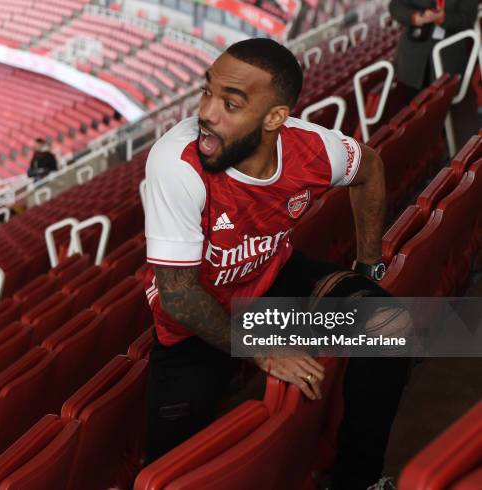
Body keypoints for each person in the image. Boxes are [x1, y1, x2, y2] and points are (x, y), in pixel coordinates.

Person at [143, 38, 410, 490]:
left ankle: (357, 479)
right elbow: (179, 294)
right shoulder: (175, 163)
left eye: (231, 103)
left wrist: (369, 267)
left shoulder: (310, 148)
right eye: (207, 92)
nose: (207, 112)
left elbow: (370, 168)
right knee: (168, 476)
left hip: (269, 282)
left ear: (274, 118)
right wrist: (263, 349)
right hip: (195, 318)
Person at [389, 0, 477, 101]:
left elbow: (468, 20)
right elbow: (395, 5)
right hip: (412, 57)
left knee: (440, 103)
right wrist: (413, 17)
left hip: (448, 55)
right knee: (413, 103)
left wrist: (443, 19)